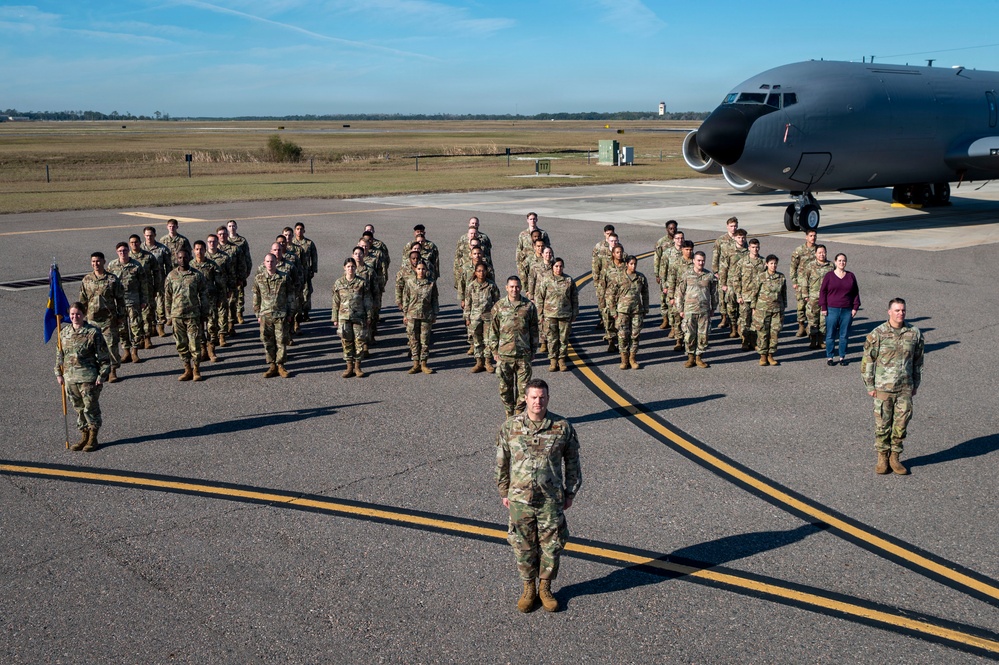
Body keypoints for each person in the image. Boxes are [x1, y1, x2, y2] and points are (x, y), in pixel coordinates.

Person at [496, 378, 581, 613]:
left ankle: (545, 587)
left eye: (542, 397)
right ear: (525, 398)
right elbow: (502, 463)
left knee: (552, 545)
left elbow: (572, 462)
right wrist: (504, 491)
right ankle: (528, 588)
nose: (538, 402)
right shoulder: (510, 427)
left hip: (550, 499)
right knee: (522, 545)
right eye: (533, 397)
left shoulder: (562, 427)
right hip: (520, 499)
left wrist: (570, 492)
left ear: (548, 399)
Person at [861, 298, 924, 475]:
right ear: (889, 312)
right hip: (883, 387)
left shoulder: (914, 333)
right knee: (882, 424)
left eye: (903, 310)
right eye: (896, 310)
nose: (900, 313)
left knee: (901, 424)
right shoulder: (878, 334)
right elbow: (868, 360)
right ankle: (882, 457)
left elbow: (918, 361)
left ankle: (895, 457)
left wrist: (916, 383)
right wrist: (870, 385)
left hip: (905, 387)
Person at [55, 302, 111, 452]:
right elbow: (60, 356)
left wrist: (102, 375)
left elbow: (104, 357)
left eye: (78, 314)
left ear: (84, 314)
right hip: (70, 378)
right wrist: (58, 373)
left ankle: (93, 438)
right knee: (78, 408)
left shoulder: (93, 333)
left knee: (90, 408)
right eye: (72, 314)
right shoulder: (64, 333)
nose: (75, 317)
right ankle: (84, 436)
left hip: (88, 378)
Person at [488, 276, 539, 417]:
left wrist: (534, 349)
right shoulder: (499, 306)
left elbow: (534, 329)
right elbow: (493, 330)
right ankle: (509, 415)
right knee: (505, 389)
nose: (514, 289)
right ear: (506, 288)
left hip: (524, 354)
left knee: (524, 390)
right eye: (511, 286)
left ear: (520, 288)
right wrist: (494, 350)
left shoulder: (528, 306)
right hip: (504, 355)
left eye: (517, 286)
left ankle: (518, 414)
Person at [163, 247, 209, 381]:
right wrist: (168, 316)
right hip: (177, 315)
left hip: (193, 315)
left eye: (185, 257)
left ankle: (196, 370)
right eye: (180, 258)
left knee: (194, 343)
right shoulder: (171, 276)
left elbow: (203, 294)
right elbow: (168, 296)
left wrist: (205, 313)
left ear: (189, 258)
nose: (182, 260)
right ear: (176, 259)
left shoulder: (196, 275)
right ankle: (187, 369)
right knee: (181, 344)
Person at [79, 251, 124, 383]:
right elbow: (83, 300)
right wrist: (81, 317)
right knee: (94, 347)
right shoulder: (87, 279)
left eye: (98, 261)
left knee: (111, 345)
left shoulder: (112, 279)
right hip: (92, 319)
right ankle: (97, 371)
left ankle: (112, 370)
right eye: (93, 261)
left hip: (109, 319)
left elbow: (120, 299)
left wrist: (121, 316)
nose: (95, 264)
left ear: (104, 262)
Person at [106, 241, 149, 365]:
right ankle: (126, 351)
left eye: (124, 250)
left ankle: (135, 351)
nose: (123, 253)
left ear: (128, 251)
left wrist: (144, 300)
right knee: (122, 328)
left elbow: (143, 284)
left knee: (136, 326)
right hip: (119, 303)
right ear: (117, 252)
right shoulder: (112, 265)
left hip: (134, 301)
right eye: (120, 251)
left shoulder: (136, 265)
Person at [331, 257, 373, 378]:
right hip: (344, 317)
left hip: (359, 316)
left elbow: (367, 300)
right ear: (344, 268)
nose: (351, 269)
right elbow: (335, 301)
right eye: (348, 266)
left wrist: (369, 316)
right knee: (346, 341)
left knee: (359, 342)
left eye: (353, 266)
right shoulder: (339, 283)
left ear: (356, 268)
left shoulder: (362, 282)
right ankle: (349, 366)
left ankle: (358, 367)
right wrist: (334, 318)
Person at [535, 257, 579, 372]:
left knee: (563, 339)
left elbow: (574, 298)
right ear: (552, 267)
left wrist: (575, 313)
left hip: (565, 314)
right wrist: (540, 315)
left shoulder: (569, 280)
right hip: (550, 315)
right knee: (552, 339)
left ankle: (562, 359)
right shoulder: (546, 280)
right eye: (556, 266)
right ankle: (553, 360)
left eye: (560, 266)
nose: (558, 268)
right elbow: (540, 298)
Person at [253, 252, 291, 378]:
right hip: (265, 314)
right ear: (264, 263)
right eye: (267, 261)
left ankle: (280, 365)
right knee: (267, 340)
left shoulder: (284, 277)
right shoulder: (259, 278)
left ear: (276, 263)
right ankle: (272, 365)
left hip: (281, 314)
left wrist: (291, 313)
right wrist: (257, 313)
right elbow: (256, 297)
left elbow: (290, 296)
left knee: (281, 340)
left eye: (272, 261)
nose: (270, 264)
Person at [608, 255, 649, 370]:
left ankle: (632, 358)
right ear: (626, 264)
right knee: (622, 336)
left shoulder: (640, 277)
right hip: (622, 311)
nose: (633, 266)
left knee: (635, 335)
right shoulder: (619, 277)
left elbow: (645, 293)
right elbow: (611, 295)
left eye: (635, 264)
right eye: (631, 264)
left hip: (637, 310)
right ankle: (624, 359)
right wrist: (613, 311)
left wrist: (646, 308)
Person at [676, 250, 717, 368]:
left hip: (704, 310)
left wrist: (713, 307)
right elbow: (679, 293)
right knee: (689, 335)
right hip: (689, 310)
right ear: (693, 261)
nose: (701, 263)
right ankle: (690, 357)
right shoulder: (686, 275)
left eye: (703, 261)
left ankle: (699, 357)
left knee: (703, 335)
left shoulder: (709, 276)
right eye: (698, 260)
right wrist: (680, 309)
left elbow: (714, 293)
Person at [820, 253, 861, 365]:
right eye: (839, 260)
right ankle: (830, 357)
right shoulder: (829, 276)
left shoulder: (851, 276)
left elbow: (855, 293)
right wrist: (824, 307)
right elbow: (823, 292)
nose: (842, 263)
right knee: (830, 335)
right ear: (835, 262)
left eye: (844, 261)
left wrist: (855, 308)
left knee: (844, 335)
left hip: (846, 310)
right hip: (832, 309)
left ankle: (842, 356)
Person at [401, 261, 440, 374]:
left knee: (425, 341)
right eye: (419, 269)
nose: (421, 271)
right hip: (412, 315)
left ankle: (424, 364)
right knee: (413, 340)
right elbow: (406, 299)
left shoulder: (431, 283)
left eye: (423, 269)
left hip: (426, 315)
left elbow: (435, 299)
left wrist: (435, 314)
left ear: (426, 270)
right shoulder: (410, 282)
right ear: (415, 270)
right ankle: (415, 364)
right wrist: (405, 314)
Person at [189, 240, 224, 363]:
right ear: (194, 251)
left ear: (205, 250)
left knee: (212, 326)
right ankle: (203, 349)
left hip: (210, 301)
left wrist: (221, 299)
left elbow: (220, 284)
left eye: (201, 249)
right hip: (195, 302)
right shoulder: (189, 266)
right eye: (197, 249)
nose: (199, 251)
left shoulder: (212, 265)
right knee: (198, 328)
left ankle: (211, 349)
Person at [463, 262, 501, 374]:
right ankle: (479, 362)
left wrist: (497, 316)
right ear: (475, 272)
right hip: (475, 317)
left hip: (488, 316)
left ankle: (488, 362)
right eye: (479, 271)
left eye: (483, 270)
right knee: (477, 340)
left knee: (488, 340)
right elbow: (467, 303)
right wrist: (467, 317)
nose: (481, 273)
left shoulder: (491, 285)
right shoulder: (471, 286)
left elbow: (497, 302)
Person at [751, 254, 787, 366]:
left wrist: (783, 307)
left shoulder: (781, 277)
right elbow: (754, 293)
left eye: (775, 263)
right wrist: (753, 307)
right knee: (762, 332)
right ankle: (762, 356)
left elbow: (783, 293)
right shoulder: (761, 277)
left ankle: (771, 355)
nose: (773, 266)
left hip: (777, 310)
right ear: (766, 264)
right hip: (762, 309)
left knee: (774, 333)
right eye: (771, 263)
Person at [734, 238, 766, 351]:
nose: (755, 249)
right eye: (753, 247)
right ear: (749, 248)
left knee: (756, 321)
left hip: (758, 298)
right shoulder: (742, 262)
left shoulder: (763, 262)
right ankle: (745, 341)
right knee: (745, 320)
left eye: (757, 247)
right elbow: (736, 279)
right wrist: (738, 295)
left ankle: (754, 341)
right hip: (745, 296)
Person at [127, 234, 158, 349]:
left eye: (136, 242)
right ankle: (138, 338)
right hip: (132, 293)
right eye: (132, 243)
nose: (134, 244)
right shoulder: (127, 256)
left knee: (147, 315)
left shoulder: (148, 256)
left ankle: (147, 338)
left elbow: (156, 272)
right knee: (135, 318)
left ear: (140, 242)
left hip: (147, 290)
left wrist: (157, 288)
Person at [718, 228, 748, 339]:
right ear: (735, 238)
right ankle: (733, 327)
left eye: (743, 237)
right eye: (739, 237)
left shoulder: (748, 251)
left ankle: (741, 327)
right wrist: (723, 284)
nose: (741, 239)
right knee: (731, 307)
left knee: (743, 308)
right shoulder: (729, 251)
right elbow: (723, 268)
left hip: (744, 284)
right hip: (730, 283)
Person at [141, 226, 171, 336]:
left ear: (155, 235)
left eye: (151, 235)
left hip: (160, 281)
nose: (149, 237)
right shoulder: (140, 249)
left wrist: (168, 281)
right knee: (148, 307)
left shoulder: (162, 249)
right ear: (144, 236)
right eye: (147, 235)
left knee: (160, 306)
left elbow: (168, 266)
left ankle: (160, 327)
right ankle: (151, 327)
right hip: (146, 283)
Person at [803, 245, 834, 350]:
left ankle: (821, 340)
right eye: (819, 252)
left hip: (827, 298)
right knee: (812, 319)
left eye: (823, 252)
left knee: (824, 320)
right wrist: (805, 295)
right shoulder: (810, 266)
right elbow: (804, 281)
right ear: (815, 254)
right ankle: (812, 340)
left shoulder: (831, 266)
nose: (822, 254)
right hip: (813, 297)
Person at [711, 216, 739, 328]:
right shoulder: (721, 240)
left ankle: (735, 318)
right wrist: (715, 270)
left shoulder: (739, 238)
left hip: (735, 272)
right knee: (722, 296)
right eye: (731, 226)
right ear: (727, 226)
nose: (733, 228)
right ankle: (724, 318)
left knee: (734, 296)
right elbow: (715, 255)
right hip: (723, 271)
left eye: (735, 226)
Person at [790, 230, 818, 337]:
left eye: (814, 236)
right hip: (801, 283)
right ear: (806, 237)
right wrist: (794, 281)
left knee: (813, 306)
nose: (813, 238)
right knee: (801, 305)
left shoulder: (818, 250)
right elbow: (793, 267)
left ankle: (811, 327)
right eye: (810, 236)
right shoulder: (799, 250)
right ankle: (801, 325)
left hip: (814, 283)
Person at [226, 219, 252, 325]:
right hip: (228, 273)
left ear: (236, 227)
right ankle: (230, 316)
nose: (232, 228)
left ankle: (239, 314)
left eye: (233, 226)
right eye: (230, 226)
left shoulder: (242, 241)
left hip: (239, 271)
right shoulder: (224, 240)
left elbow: (247, 257)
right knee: (229, 296)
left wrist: (247, 271)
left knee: (240, 294)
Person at [654, 221, 678, 330]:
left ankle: (674, 321)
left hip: (676, 275)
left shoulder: (679, 240)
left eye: (674, 228)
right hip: (665, 274)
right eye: (670, 228)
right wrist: (657, 274)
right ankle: (665, 319)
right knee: (663, 298)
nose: (673, 230)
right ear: (667, 229)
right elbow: (657, 258)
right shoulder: (662, 242)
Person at [292, 222, 318, 323]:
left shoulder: (309, 243)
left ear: (304, 230)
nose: (299, 231)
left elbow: (314, 257)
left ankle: (306, 313)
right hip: (294, 272)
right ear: (295, 230)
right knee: (297, 293)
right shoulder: (291, 243)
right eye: (297, 229)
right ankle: (297, 314)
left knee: (307, 292)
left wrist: (313, 270)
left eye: (301, 229)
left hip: (306, 271)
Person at [591, 224, 615, 331]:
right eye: (608, 233)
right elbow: (595, 265)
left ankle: (612, 322)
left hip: (614, 280)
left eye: (611, 233)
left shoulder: (617, 247)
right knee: (602, 302)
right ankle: (602, 319)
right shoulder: (599, 246)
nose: (609, 235)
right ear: (604, 233)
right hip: (602, 280)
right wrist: (596, 281)